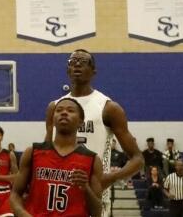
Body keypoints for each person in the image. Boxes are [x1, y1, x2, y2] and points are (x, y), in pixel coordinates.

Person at [45, 50, 144, 217]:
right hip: (58, 193)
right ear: (67, 70)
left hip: (93, 194)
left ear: (93, 72)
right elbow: (46, 154)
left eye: (83, 62)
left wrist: (109, 178)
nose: (77, 64)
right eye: (73, 61)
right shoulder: (55, 107)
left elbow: (138, 159)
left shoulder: (108, 107)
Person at [11, 98, 103, 217]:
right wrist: (24, 214)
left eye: (70, 110)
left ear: (81, 122)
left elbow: (97, 212)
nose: (64, 112)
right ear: (53, 120)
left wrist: (86, 188)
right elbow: (15, 195)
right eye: (59, 110)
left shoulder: (92, 160)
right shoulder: (33, 152)